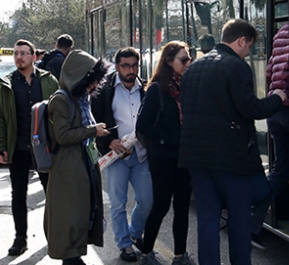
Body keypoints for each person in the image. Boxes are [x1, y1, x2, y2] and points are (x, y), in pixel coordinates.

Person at [179, 19, 287, 265]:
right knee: (238, 220)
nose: (249, 53)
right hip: (230, 158)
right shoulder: (236, 67)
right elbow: (249, 108)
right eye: (249, 47)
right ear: (241, 41)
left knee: (207, 219)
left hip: (196, 157)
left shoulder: (193, 68)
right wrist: (277, 99)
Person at [43, 49, 110, 265]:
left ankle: (74, 257)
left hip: (80, 164)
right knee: (70, 217)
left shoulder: (80, 98)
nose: (93, 85)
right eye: (90, 80)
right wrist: (93, 131)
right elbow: (62, 135)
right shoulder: (61, 100)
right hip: (68, 167)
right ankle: (71, 258)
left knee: (80, 214)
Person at [136, 41, 195, 265]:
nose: (187, 63)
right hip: (162, 157)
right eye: (183, 59)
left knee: (182, 207)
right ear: (169, 61)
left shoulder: (187, 86)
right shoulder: (156, 89)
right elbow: (143, 125)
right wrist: (167, 138)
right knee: (161, 206)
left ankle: (180, 255)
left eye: (189, 58)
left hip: (184, 157)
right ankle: (146, 252)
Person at [91, 47, 152, 262]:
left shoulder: (146, 88)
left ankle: (135, 233)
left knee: (147, 200)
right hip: (117, 156)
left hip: (141, 154)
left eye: (134, 65)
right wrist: (108, 141)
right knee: (118, 203)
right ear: (117, 67)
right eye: (126, 66)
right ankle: (124, 244)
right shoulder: (104, 90)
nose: (131, 70)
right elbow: (94, 122)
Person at [0, 39, 59, 256]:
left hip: (44, 147)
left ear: (34, 57)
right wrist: (2, 146)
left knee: (52, 194)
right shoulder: (6, 84)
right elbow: (1, 119)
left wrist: (59, 144)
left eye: (23, 53)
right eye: (16, 54)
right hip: (19, 147)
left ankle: (55, 238)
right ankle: (20, 239)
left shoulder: (48, 81)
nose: (19, 57)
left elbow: (59, 112)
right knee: (18, 195)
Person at [250, 23, 289, 250]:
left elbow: (269, 71)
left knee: (282, 168)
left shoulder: (281, 33)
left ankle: (254, 216)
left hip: (276, 110)